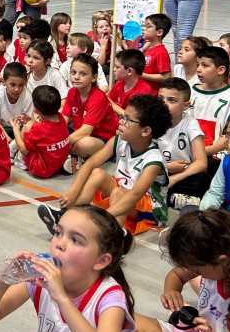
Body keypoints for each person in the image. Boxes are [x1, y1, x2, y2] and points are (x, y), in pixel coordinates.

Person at [0, 205, 136, 332]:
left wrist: (62, 299)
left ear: (101, 261)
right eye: (58, 233)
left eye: (76, 240)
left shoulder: (109, 297)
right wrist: (2, 280)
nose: (60, 244)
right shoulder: (41, 279)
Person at [41, 93, 172, 236]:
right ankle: (70, 216)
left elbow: (135, 194)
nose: (121, 121)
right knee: (97, 174)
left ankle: (112, 238)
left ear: (145, 131)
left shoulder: (154, 160)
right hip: (124, 193)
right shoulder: (119, 141)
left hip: (150, 209)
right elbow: (90, 164)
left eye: (127, 119)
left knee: (119, 193)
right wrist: (73, 191)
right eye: (122, 116)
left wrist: (102, 217)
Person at [157, 77, 208, 210]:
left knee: (202, 179)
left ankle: (162, 195)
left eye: (171, 100)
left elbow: (201, 162)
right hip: (157, 170)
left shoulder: (190, 123)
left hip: (180, 174)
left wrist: (175, 178)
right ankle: (171, 198)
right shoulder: (150, 121)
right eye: (160, 98)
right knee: (143, 175)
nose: (164, 104)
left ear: (186, 105)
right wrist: (167, 167)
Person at [11, 85, 71, 178]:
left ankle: (19, 160)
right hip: (58, 162)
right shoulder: (60, 117)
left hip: (41, 169)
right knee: (30, 124)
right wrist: (31, 121)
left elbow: (24, 150)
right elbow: (45, 132)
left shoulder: (38, 129)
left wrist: (15, 129)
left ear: (36, 109)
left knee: (27, 127)